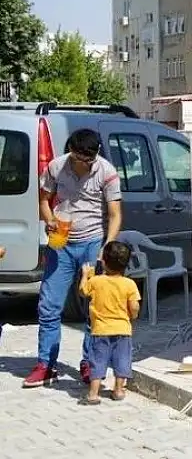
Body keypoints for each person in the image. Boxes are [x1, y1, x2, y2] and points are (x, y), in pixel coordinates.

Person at [24, 128, 123, 388]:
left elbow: (115, 214)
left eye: (90, 160)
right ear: (71, 152)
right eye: (80, 159)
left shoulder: (107, 171)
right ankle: (46, 364)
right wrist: (49, 221)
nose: (85, 164)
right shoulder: (56, 167)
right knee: (49, 306)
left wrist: (108, 245)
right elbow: (43, 200)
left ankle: (90, 364)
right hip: (61, 244)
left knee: (94, 307)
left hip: (92, 243)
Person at [77, 241, 141, 405]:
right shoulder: (129, 284)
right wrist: (132, 316)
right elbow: (134, 306)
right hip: (122, 330)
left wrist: (85, 275)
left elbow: (83, 291)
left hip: (100, 330)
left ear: (103, 262)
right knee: (122, 361)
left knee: (97, 362)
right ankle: (118, 390)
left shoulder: (96, 281)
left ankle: (93, 394)